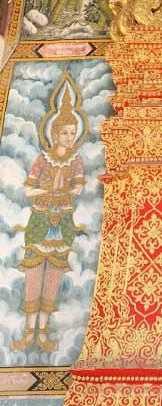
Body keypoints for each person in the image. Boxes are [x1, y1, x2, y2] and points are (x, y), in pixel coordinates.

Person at [13, 81, 86, 353]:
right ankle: (27, 332)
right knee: (33, 274)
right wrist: (48, 189)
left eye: (73, 132)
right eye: (65, 132)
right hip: (40, 219)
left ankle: (43, 333)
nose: (69, 137)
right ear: (54, 132)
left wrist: (65, 189)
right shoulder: (42, 159)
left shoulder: (76, 161)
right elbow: (28, 189)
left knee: (53, 277)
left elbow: (78, 186)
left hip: (63, 220)